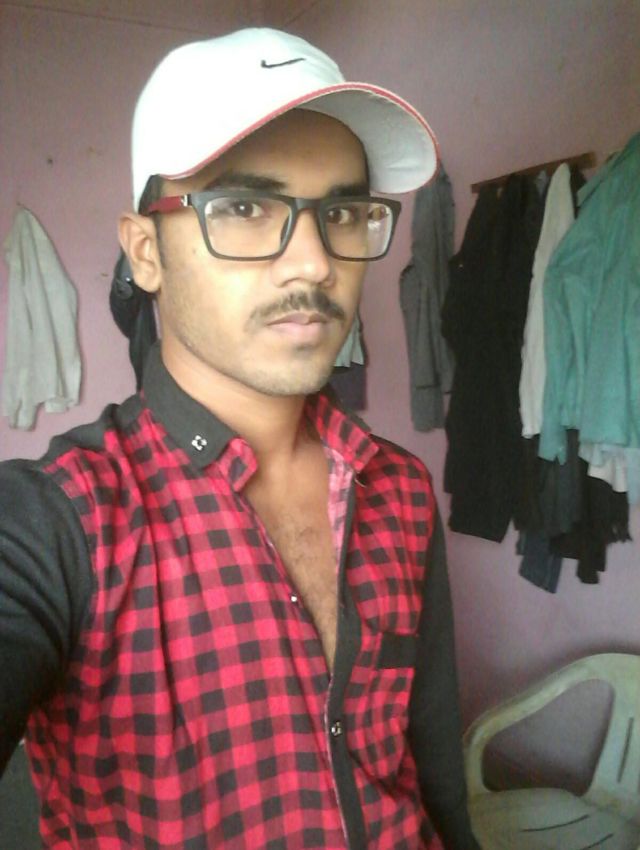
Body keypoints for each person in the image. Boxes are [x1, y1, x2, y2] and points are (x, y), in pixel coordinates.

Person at [0, 28, 480, 850]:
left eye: (341, 212)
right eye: (245, 209)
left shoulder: (397, 488)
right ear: (146, 251)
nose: (314, 264)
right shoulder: (57, 522)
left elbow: (434, 768)